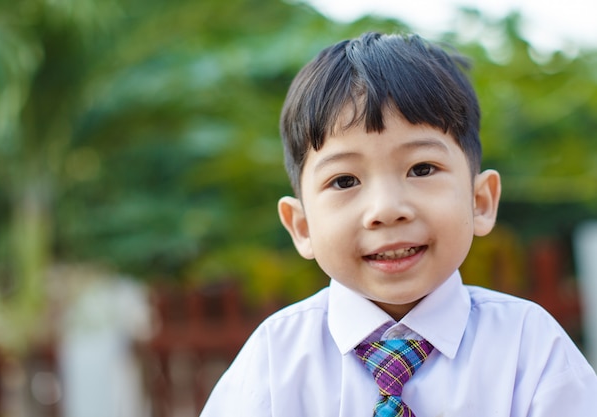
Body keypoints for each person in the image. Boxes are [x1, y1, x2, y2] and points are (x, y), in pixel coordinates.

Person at [200, 32, 597, 416]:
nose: (387, 209)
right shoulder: (274, 359)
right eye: (344, 181)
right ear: (301, 227)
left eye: (421, 168)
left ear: (480, 201)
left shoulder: (530, 346)